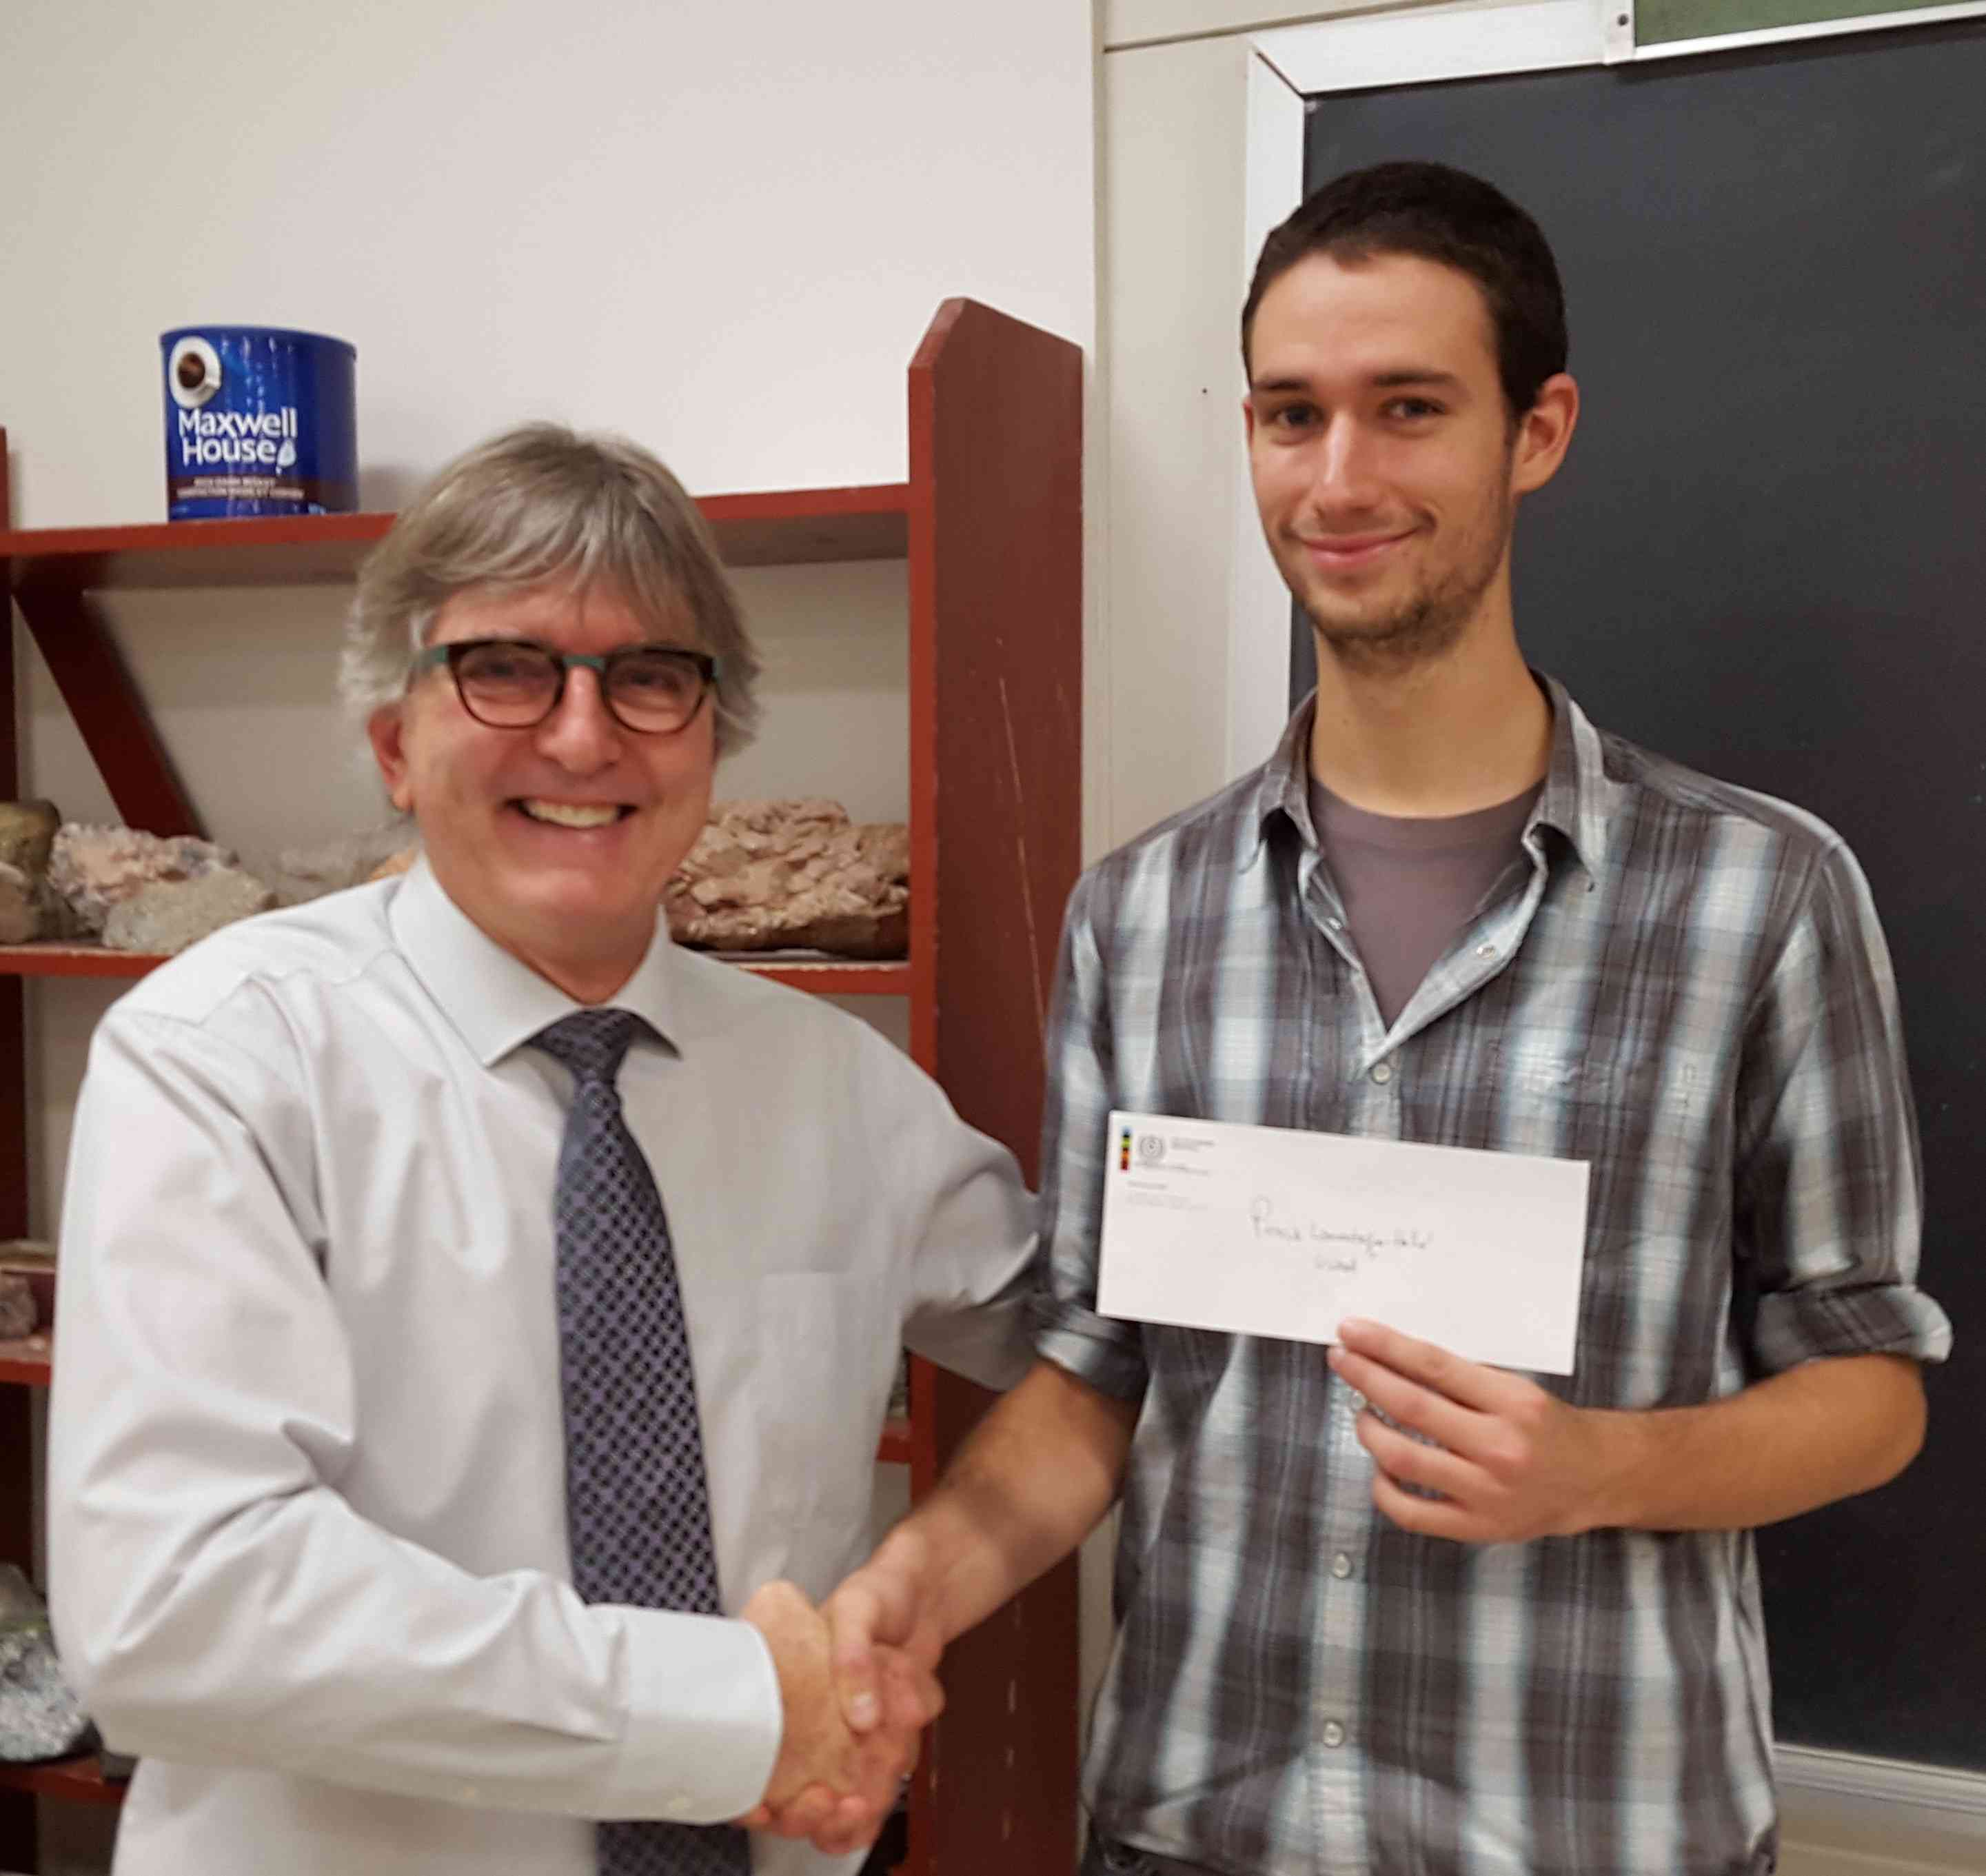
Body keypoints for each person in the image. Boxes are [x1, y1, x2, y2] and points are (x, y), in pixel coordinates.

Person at [793, 162, 1954, 1876]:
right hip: (1195, 1827)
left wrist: (1593, 1467)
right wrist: (918, 1581)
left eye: (1407, 409)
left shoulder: (1758, 895)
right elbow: (1099, 1377)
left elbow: (1869, 1385)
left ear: (1535, 430)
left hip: (1593, 1832)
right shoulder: (1142, 911)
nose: (1337, 479)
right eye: (1290, 413)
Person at [47, 423, 1036, 1875]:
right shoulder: (223, 1057)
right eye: (505, 667)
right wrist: (727, 1709)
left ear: (710, 740)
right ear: (396, 738)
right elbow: (175, 1608)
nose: (584, 736)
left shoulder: (845, 1091)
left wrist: (912, 1590)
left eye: (650, 675)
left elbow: (1100, 1336)